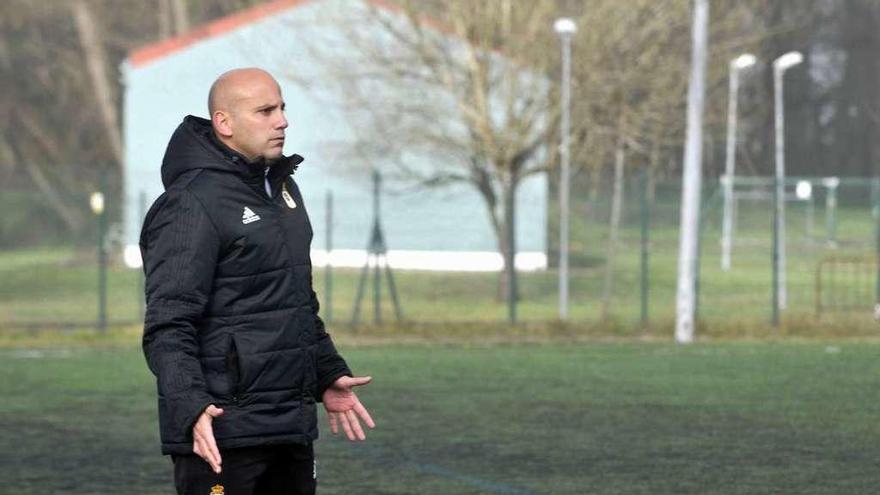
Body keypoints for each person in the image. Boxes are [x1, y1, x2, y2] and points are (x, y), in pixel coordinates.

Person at [140, 68, 374, 495]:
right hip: (221, 429)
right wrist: (190, 405)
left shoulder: (283, 190)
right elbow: (167, 324)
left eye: (282, 108)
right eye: (265, 111)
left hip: (290, 423)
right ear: (224, 123)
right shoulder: (191, 203)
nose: (282, 120)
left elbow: (293, 301)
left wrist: (327, 373)